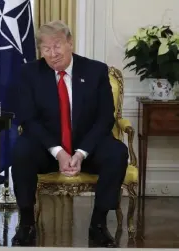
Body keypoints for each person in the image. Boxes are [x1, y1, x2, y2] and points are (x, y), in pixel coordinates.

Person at [11, 20, 128, 247]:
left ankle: (99, 224)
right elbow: (28, 118)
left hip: (87, 146)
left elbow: (105, 117)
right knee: (21, 151)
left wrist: (81, 152)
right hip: (47, 148)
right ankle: (26, 223)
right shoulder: (30, 73)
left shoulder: (95, 71)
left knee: (117, 153)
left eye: (57, 46)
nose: (53, 53)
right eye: (46, 48)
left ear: (70, 43)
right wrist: (59, 153)